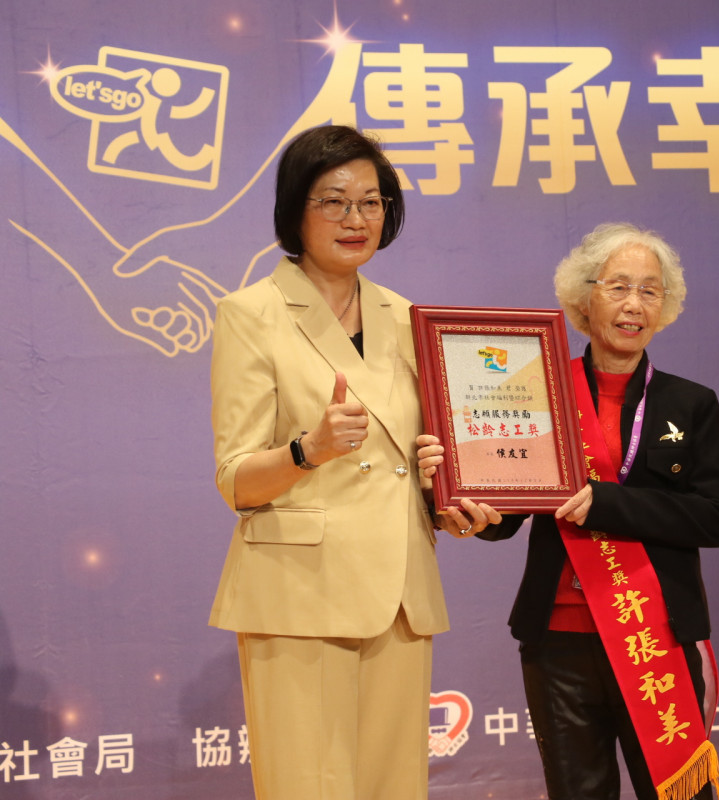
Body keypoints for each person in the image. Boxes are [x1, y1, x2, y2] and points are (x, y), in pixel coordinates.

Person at [208, 124, 490, 799]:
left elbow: (414, 459)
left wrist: (448, 499)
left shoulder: (409, 317)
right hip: (300, 592)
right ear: (295, 212)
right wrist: (308, 449)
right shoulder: (252, 313)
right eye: (333, 202)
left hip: (400, 592)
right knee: (309, 787)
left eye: (371, 202)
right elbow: (235, 481)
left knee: (395, 788)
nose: (355, 219)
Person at [420, 222, 719, 800]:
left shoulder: (691, 403)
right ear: (583, 297)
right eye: (618, 286)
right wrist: (459, 502)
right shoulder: (537, 391)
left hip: (657, 636)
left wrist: (608, 504)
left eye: (650, 290)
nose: (634, 304)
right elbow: (506, 516)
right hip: (558, 642)